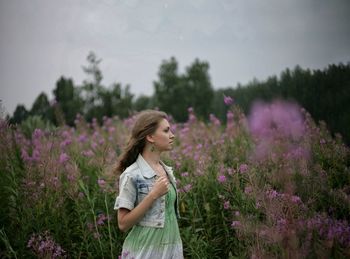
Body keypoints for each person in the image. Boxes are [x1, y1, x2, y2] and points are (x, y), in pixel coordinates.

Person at [113, 110, 183, 259]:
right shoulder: (132, 174)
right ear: (150, 137)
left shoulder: (167, 170)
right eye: (166, 130)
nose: (172, 135)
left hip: (172, 249)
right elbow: (123, 224)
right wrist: (153, 195)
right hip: (145, 252)